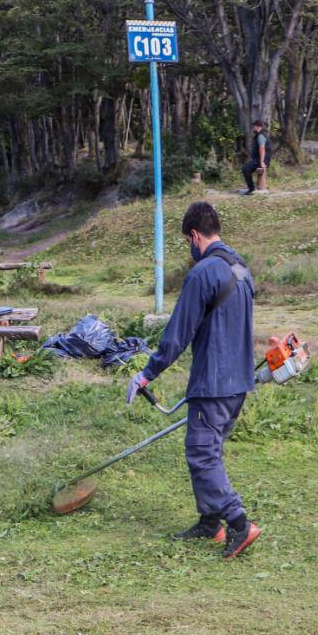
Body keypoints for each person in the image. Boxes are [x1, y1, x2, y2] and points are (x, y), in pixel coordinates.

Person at [126, 201, 259, 559]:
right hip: (239, 381)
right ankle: (209, 522)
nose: (190, 247)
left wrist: (147, 373)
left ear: (195, 236)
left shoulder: (202, 273)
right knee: (210, 450)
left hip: (213, 382)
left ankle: (238, 522)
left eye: (188, 241)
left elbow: (177, 333)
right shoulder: (241, 268)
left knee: (202, 455)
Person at [241, 120, 271, 195]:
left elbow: (262, 149)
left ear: (258, 127)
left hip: (261, 160)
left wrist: (262, 162)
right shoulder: (262, 134)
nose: (253, 128)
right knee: (247, 168)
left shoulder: (260, 136)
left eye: (254, 127)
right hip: (260, 159)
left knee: (245, 168)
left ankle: (252, 189)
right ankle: (253, 187)